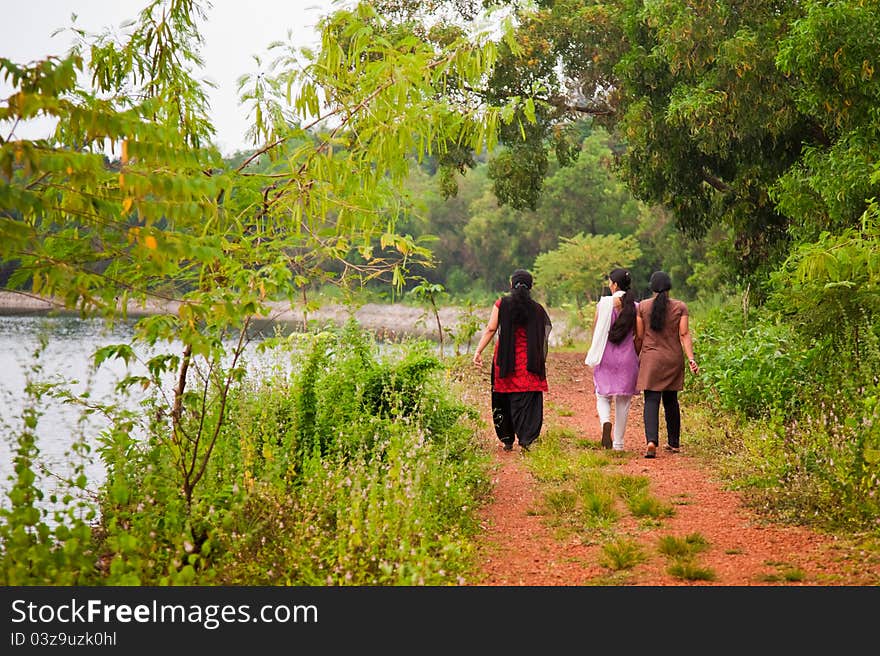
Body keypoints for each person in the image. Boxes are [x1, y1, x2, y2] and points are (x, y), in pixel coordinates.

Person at [472, 269, 552, 453]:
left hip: (505, 361)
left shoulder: (502, 304)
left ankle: (507, 439)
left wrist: (478, 351)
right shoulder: (537, 308)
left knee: (503, 398)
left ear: (511, 285)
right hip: (529, 362)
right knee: (528, 400)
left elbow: (491, 329)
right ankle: (526, 439)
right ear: (530, 287)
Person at [636, 271, 699, 458]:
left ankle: (651, 441)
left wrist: (635, 355)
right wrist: (691, 359)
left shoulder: (643, 307)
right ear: (670, 287)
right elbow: (684, 334)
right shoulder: (680, 307)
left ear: (652, 287)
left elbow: (639, 336)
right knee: (671, 400)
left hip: (651, 359)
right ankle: (674, 442)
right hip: (672, 358)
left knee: (651, 400)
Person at [584, 268, 640, 450]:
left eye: (610, 282)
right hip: (627, 358)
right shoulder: (636, 306)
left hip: (605, 356)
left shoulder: (604, 304)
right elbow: (640, 335)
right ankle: (618, 444)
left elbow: (595, 329)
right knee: (623, 401)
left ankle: (606, 421)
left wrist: (595, 347)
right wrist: (636, 353)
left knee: (602, 395)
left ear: (615, 285)